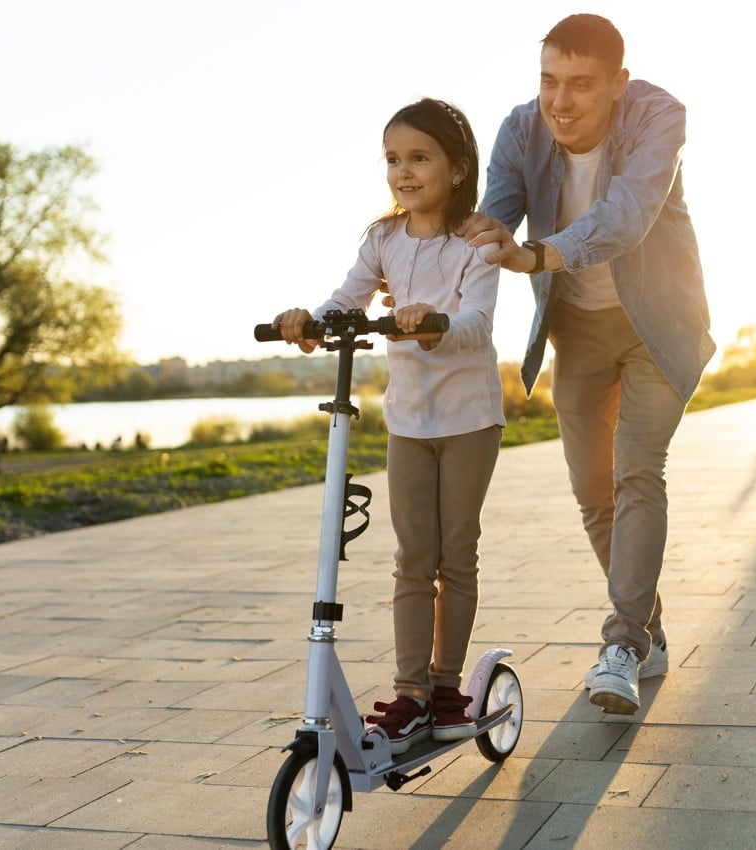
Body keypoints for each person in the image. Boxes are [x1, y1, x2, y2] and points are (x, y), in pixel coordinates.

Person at [459, 14, 714, 714]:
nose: (559, 102)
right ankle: (647, 630)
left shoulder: (658, 116)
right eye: (548, 81)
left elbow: (627, 218)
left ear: (617, 85)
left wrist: (537, 254)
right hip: (575, 326)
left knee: (637, 471)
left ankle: (621, 645)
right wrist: (435, 260)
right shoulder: (519, 130)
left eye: (579, 85)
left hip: (656, 325)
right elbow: (494, 218)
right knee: (592, 491)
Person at [273, 99, 505, 753]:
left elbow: (476, 326)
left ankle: (446, 688)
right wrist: (309, 320)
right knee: (411, 558)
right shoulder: (382, 239)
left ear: (457, 168)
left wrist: (432, 321)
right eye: (393, 160)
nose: (403, 172)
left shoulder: (477, 244)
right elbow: (347, 297)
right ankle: (409, 696)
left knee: (454, 556)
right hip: (407, 421)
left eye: (419, 158)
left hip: (468, 421)